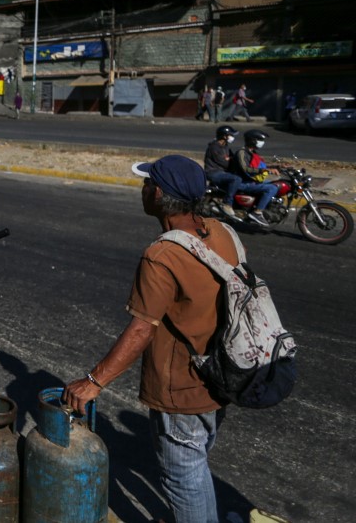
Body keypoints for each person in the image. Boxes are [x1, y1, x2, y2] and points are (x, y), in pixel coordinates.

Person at [64, 154, 241, 523]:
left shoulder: (162, 255)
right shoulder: (223, 233)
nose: (142, 189)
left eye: (146, 184)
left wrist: (94, 381)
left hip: (182, 390)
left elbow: (142, 328)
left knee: (184, 476)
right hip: (222, 376)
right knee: (196, 463)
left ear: (158, 193)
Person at [230, 129, 279, 228]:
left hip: (251, 180)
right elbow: (246, 169)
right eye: (260, 140)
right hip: (243, 182)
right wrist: (266, 171)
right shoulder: (242, 153)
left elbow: (259, 166)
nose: (262, 142)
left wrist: (278, 166)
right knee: (271, 188)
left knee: (276, 183)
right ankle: (257, 212)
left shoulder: (252, 153)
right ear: (252, 140)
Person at [203, 126, 241, 217]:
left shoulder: (225, 146)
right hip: (213, 172)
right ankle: (227, 204)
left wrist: (230, 159)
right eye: (231, 135)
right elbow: (224, 163)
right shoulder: (214, 147)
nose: (232, 137)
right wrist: (229, 160)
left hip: (222, 172)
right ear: (225, 136)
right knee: (236, 179)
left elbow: (233, 159)